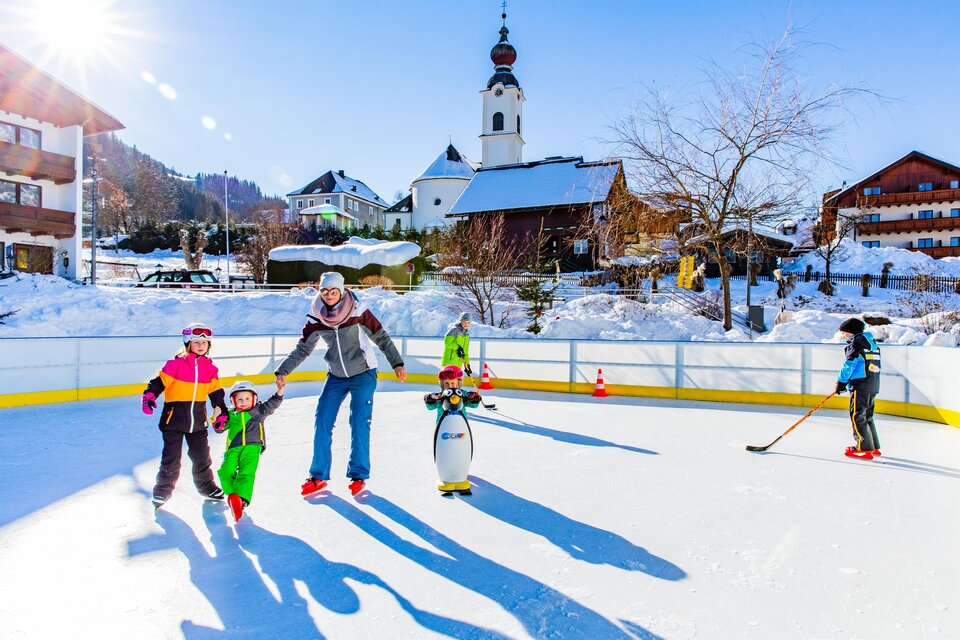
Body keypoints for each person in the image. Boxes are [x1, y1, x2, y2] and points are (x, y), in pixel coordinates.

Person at [275, 272, 406, 497]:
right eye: (324, 291)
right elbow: (303, 348)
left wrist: (397, 363)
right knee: (322, 420)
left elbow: (381, 337)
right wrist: (283, 369)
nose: (329, 295)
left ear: (342, 290)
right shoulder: (317, 316)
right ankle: (318, 476)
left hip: (363, 373)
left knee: (359, 421)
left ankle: (358, 474)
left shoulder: (358, 310)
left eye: (333, 291)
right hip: (335, 375)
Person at [141, 323, 228, 509]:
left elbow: (216, 394)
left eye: (205, 343)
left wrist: (221, 411)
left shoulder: (210, 369)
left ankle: (207, 487)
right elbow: (158, 383)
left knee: (202, 457)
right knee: (171, 459)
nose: (201, 346)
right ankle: (162, 490)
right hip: (174, 420)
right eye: (196, 342)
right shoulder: (175, 365)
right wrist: (149, 396)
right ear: (188, 343)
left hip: (198, 421)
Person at [213, 379, 285, 521]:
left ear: (254, 399)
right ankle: (232, 494)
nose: (243, 401)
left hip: (253, 446)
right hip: (233, 448)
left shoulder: (259, 411)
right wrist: (216, 418)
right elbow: (220, 429)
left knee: (247, 472)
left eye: (247, 398)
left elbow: (273, 404)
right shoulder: (231, 415)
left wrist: (280, 391)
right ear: (233, 401)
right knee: (225, 470)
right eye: (239, 399)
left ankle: (242, 499)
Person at [835, 317, 882, 460]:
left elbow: (849, 365)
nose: (843, 335)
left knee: (857, 416)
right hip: (873, 384)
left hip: (860, 385)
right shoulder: (872, 344)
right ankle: (873, 446)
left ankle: (863, 447)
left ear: (851, 332)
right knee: (867, 416)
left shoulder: (856, 344)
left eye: (844, 332)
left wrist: (841, 382)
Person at [442, 312, 473, 377]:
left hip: (458, 364)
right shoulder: (454, 330)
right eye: (464, 322)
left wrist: (467, 365)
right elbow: (447, 342)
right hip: (449, 362)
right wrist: (458, 348)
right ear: (461, 321)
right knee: (449, 381)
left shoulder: (467, 335)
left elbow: (465, 352)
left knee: (458, 381)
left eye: (468, 322)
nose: (466, 324)